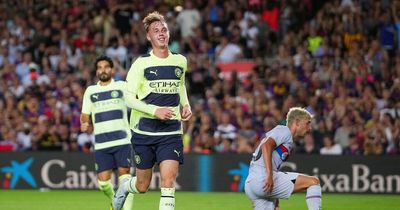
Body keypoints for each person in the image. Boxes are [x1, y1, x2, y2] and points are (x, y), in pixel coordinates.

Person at [112, 11, 192, 210]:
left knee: (168, 183)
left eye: (164, 29)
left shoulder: (180, 61)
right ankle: (124, 186)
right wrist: (155, 110)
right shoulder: (141, 64)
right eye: (156, 31)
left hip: (171, 131)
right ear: (149, 36)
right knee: (142, 186)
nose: (161, 33)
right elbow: (128, 98)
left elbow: (180, 85)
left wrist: (186, 104)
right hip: (144, 132)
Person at [81, 55, 133, 210]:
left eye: (106, 67)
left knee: (125, 180)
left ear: (112, 70)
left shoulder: (122, 86)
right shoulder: (91, 91)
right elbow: (85, 114)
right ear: (97, 71)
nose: (103, 70)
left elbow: (136, 100)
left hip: (122, 141)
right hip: (102, 143)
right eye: (100, 67)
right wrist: (84, 123)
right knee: (103, 183)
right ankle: (116, 202)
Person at [245, 107, 322, 210]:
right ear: (297, 122)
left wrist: (275, 199)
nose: (309, 128)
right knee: (313, 182)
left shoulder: (287, 138)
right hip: (262, 177)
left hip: (252, 182)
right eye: (308, 123)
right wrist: (269, 175)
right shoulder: (284, 131)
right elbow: (266, 146)